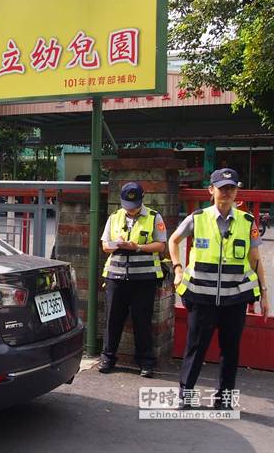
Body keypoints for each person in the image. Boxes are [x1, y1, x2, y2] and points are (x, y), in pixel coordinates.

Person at [169, 168, 270, 409]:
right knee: (195, 347)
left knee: (230, 350)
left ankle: (223, 399)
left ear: (237, 191)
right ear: (211, 190)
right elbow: (173, 240)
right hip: (201, 298)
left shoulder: (247, 222)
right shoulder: (198, 218)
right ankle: (186, 395)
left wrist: (264, 293)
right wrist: (178, 268)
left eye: (231, 188)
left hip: (234, 300)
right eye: (222, 188)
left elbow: (255, 259)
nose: (226, 193)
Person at [98, 182, 167, 377]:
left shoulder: (154, 217)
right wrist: (116, 245)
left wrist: (136, 247)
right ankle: (108, 357)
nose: (130, 210)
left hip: (144, 278)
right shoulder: (115, 217)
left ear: (141, 200)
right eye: (127, 206)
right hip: (116, 276)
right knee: (113, 318)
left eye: (134, 205)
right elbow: (104, 245)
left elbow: (160, 246)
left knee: (142, 320)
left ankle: (146, 362)